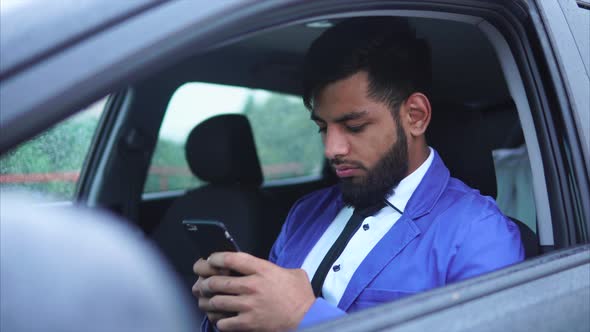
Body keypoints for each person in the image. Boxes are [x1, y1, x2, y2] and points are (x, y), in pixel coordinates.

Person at [193, 17, 524, 331]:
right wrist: (232, 311)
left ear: (415, 116)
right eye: (323, 128)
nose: (331, 149)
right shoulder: (305, 213)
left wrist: (303, 317)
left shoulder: (478, 234)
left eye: (354, 126)